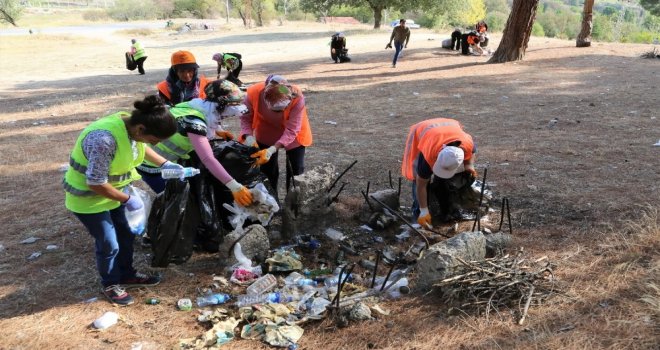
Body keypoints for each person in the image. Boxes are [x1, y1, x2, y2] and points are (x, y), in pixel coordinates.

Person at [63, 95, 180, 305]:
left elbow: (142, 149)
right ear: (141, 129)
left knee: (125, 235)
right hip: (89, 200)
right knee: (108, 243)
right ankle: (110, 283)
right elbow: (96, 182)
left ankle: (127, 274)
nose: (155, 144)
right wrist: (127, 199)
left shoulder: (131, 126)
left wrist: (165, 164)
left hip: (115, 195)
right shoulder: (104, 140)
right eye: (155, 139)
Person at [138, 79, 253, 208]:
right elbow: (208, 159)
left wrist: (219, 130)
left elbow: (212, 116)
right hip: (153, 167)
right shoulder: (194, 124)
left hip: (166, 161)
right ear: (220, 105)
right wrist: (234, 186)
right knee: (176, 203)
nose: (236, 109)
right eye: (233, 105)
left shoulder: (195, 106)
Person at [240, 74, 313, 195]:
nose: (280, 113)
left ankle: (294, 203)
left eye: (283, 109)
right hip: (266, 129)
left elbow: (292, 129)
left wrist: (273, 149)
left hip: (295, 132)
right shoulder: (253, 93)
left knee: (296, 171)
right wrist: (248, 136)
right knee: (267, 170)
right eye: (276, 111)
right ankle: (272, 201)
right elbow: (245, 118)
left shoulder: (297, 96)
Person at [401, 118, 477, 227]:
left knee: (444, 182)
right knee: (417, 175)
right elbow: (421, 184)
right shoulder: (428, 155)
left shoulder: (467, 143)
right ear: (437, 157)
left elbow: (473, 150)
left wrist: (469, 165)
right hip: (422, 131)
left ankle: (445, 208)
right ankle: (418, 212)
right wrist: (424, 211)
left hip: (448, 127)